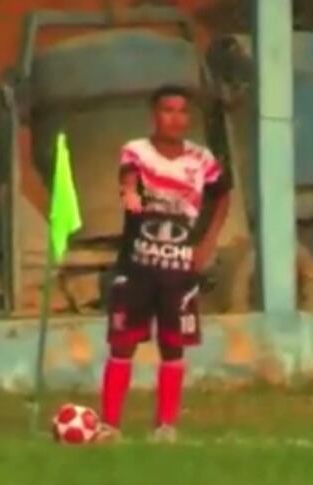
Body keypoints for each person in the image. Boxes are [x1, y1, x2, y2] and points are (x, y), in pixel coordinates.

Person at [97, 84, 231, 443]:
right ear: (154, 115)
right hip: (137, 266)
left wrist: (208, 241)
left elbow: (222, 195)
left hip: (179, 270)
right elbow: (128, 176)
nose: (175, 118)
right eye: (167, 111)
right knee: (123, 344)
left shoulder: (201, 160)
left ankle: (165, 427)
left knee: (173, 345)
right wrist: (129, 192)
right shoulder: (136, 151)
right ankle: (110, 424)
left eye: (181, 111)